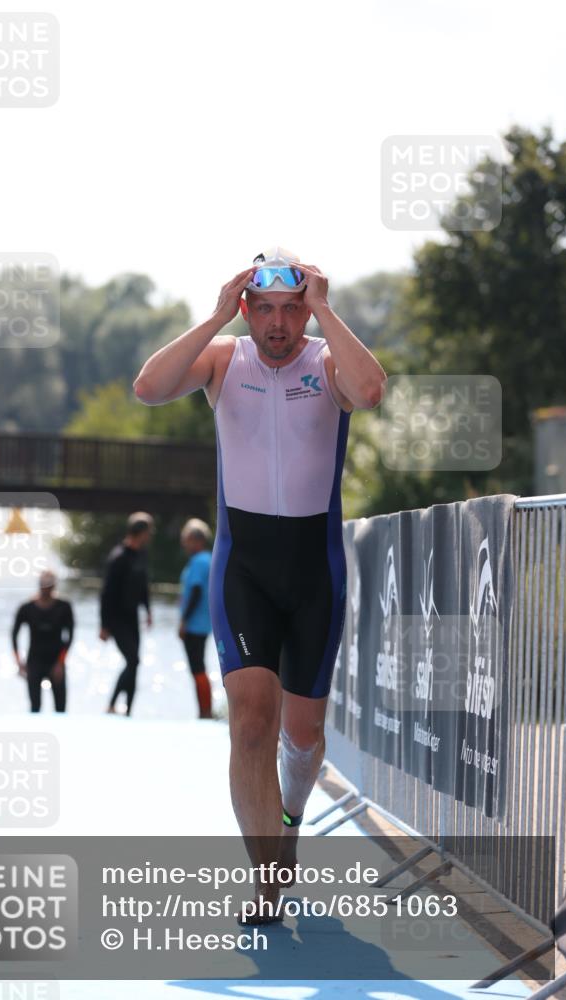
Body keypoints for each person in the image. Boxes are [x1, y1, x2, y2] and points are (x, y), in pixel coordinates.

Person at [134, 246, 387, 923]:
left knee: (300, 737)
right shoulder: (224, 358)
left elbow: (369, 391)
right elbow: (149, 388)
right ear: (247, 308)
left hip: (313, 570)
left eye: (292, 309)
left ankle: (292, 815)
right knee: (250, 721)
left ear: (306, 310)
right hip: (242, 564)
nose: (278, 324)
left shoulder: (326, 365)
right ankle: (267, 881)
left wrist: (328, 311)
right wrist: (215, 315)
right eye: (265, 309)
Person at [100, 511, 154, 716]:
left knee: (134, 663)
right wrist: (104, 625)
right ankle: (112, 704)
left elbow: (143, 587)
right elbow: (106, 593)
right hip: (117, 619)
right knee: (133, 660)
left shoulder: (142, 554)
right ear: (139, 532)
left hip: (132, 616)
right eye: (148, 532)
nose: (150, 536)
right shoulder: (118, 557)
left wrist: (148, 611)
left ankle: (128, 710)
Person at [12, 569, 74, 713]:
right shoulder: (27, 608)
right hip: (35, 661)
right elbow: (14, 635)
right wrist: (19, 662)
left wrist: (61, 662)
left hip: (56, 660)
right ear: (39, 585)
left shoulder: (64, 607)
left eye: (49, 586)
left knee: (60, 709)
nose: (46, 589)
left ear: (54, 586)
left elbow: (70, 637)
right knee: (35, 708)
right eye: (43, 585)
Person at [178, 518, 214, 719]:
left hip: (195, 624)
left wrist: (184, 620)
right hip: (202, 622)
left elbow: (197, 590)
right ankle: (204, 709)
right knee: (197, 665)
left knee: (197, 666)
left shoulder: (200, 561)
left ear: (197, 540)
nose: (184, 543)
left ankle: (205, 711)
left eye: (187, 539)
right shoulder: (205, 559)